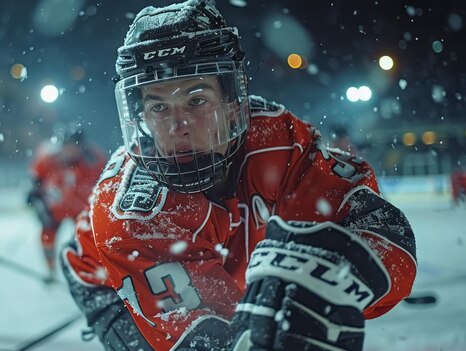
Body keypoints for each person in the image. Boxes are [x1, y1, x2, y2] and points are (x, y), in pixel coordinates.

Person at [60, 1, 418, 350]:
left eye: (196, 100)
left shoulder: (280, 142)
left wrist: (339, 277)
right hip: (108, 282)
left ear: (233, 104)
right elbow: (211, 337)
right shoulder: (133, 214)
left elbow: (380, 228)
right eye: (158, 107)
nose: (177, 126)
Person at [26, 123, 107, 279]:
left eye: (73, 147)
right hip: (54, 208)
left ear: (82, 147)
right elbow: (35, 177)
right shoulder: (48, 157)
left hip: (81, 209)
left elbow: (106, 183)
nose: (69, 151)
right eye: (66, 146)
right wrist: (35, 196)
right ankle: (50, 269)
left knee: (86, 239)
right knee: (47, 236)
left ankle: (89, 269)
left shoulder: (95, 160)